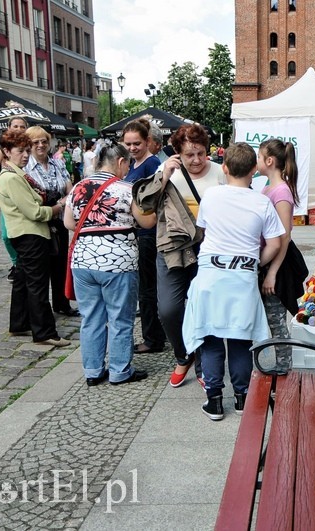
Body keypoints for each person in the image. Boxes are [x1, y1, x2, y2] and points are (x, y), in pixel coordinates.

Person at [183, 142, 284, 421]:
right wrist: (257, 262)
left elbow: (202, 230)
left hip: (212, 275)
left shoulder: (211, 196)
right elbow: (275, 243)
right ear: (254, 170)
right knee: (241, 338)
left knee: (212, 337)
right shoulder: (261, 201)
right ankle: (241, 397)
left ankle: (214, 400)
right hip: (242, 275)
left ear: (224, 167)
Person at [133, 124, 225, 388]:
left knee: (205, 308)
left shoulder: (220, 173)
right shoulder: (167, 173)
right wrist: (164, 176)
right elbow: (145, 207)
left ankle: (203, 364)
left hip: (208, 249)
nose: (196, 160)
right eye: (189, 155)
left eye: (201, 153)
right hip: (172, 248)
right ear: (177, 153)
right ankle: (183, 353)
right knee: (169, 309)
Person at [64, 142, 155, 386]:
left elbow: (69, 223)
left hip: (83, 262)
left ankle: (93, 371)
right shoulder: (127, 189)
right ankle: (119, 371)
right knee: (120, 318)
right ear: (122, 162)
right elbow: (146, 223)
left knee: (91, 318)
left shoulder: (79, 187)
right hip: (118, 262)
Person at [0, 130, 70, 347]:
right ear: (7, 152)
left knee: (23, 280)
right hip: (30, 234)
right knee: (37, 284)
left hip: (25, 233)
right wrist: (58, 207)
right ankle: (44, 331)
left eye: (27, 151)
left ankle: (19, 323)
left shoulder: (15, 174)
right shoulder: (11, 178)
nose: (26, 155)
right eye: (21, 151)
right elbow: (35, 212)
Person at [258, 138, 308, 372]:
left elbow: (284, 236)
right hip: (270, 261)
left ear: (269, 161)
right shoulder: (269, 187)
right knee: (270, 317)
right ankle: (280, 364)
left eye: (259, 157)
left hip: (278, 264)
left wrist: (272, 273)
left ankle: (284, 366)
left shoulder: (281, 191)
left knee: (276, 318)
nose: (257, 161)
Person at [123, 118, 167, 355]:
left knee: (147, 289)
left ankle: (153, 338)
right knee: (148, 287)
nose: (132, 148)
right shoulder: (134, 164)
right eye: (128, 143)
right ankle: (156, 334)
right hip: (140, 232)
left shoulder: (150, 165)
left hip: (148, 234)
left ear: (148, 141)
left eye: (136, 143)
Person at [24, 126, 77, 317]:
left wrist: (67, 200)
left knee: (61, 263)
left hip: (59, 221)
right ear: (28, 145)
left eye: (44, 141)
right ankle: (40, 308)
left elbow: (69, 189)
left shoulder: (57, 164)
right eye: (35, 142)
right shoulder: (25, 167)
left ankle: (62, 303)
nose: (40, 145)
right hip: (38, 222)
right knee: (41, 267)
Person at [0, 117, 29, 282]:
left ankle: (25, 263)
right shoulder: (4, 147)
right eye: (15, 126)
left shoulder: (30, 145)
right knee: (6, 235)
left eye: (22, 126)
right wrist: (2, 183)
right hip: (9, 192)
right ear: (9, 127)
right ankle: (16, 262)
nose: (18, 128)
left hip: (27, 191)